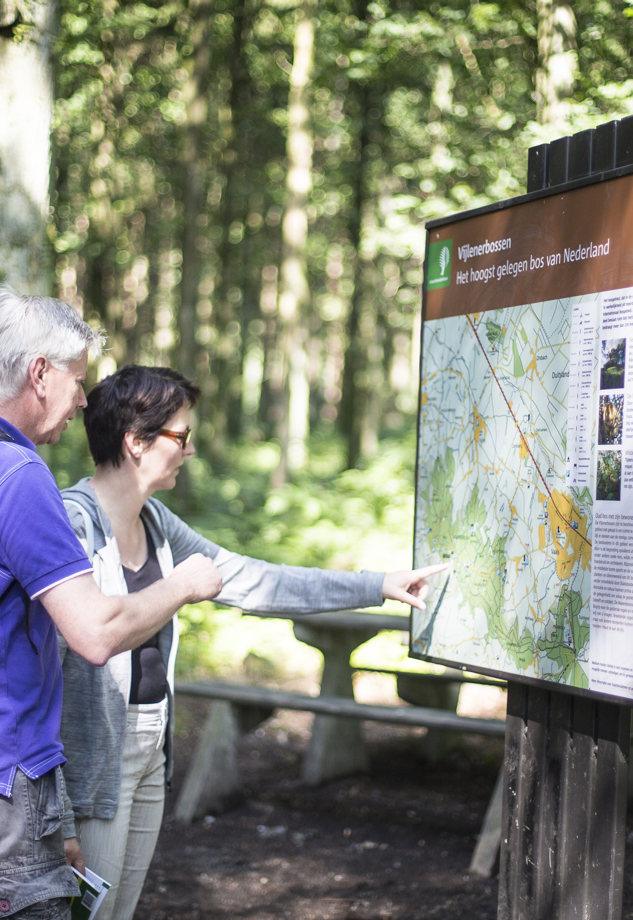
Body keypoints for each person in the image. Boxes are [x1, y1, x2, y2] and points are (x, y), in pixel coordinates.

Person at [58, 364, 446, 920]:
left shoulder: (159, 525)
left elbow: (259, 580)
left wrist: (377, 585)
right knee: (83, 915)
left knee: (117, 914)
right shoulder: (73, 524)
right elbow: (57, 656)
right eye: (181, 436)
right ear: (136, 442)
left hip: (151, 749)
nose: (189, 450)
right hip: (93, 759)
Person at [0, 289, 222, 920]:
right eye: (78, 380)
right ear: (40, 373)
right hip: (14, 782)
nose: (84, 399)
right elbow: (93, 634)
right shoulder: (21, 478)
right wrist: (182, 587)